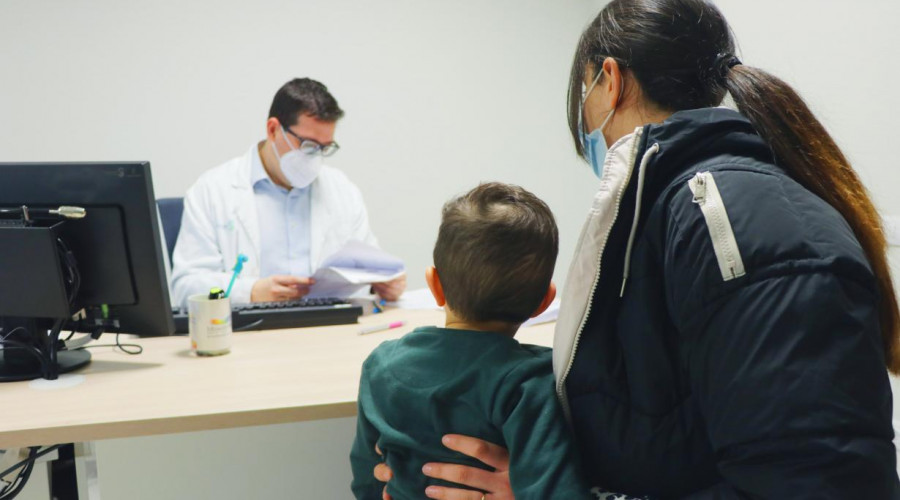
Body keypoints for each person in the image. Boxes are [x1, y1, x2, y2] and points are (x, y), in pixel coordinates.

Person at [375, 0, 900, 497]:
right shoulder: (667, 206)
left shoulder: (736, 222)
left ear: (610, 80)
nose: (584, 121)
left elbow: (813, 485)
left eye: (583, 94)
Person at [351, 183, 591, 499]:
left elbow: (368, 480)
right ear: (543, 303)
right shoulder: (531, 383)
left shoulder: (380, 365)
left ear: (435, 285)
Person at [171, 78, 406, 307]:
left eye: (324, 148)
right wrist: (250, 292)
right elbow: (186, 287)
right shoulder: (212, 190)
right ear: (273, 130)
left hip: (328, 328)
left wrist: (383, 284)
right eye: (308, 145)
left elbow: (368, 267)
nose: (315, 157)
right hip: (249, 332)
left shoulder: (342, 190)